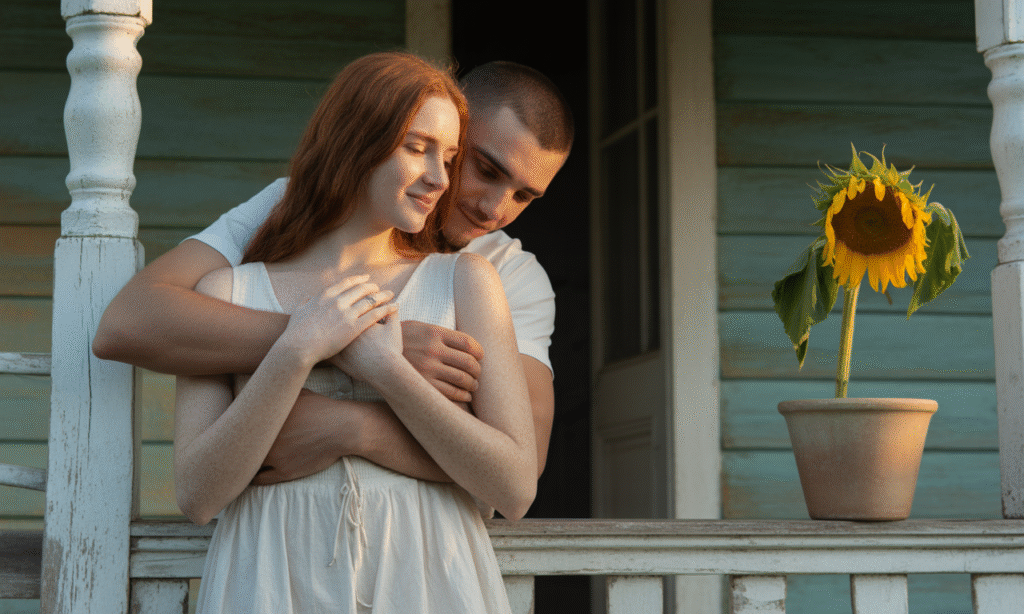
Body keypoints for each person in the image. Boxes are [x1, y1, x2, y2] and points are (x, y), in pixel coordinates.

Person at [92, 60, 573, 490]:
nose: (494, 208)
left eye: (524, 196)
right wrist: (342, 340)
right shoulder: (292, 208)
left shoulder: (509, 275)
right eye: (486, 169)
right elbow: (128, 324)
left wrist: (350, 428)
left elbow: (519, 465)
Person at [175, 51, 536, 612]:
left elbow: (513, 489)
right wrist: (298, 348)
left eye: (451, 156)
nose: (441, 178)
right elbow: (197, 496)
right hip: (274, 578)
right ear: (354, 141)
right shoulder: (227, 292)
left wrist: (385, 370)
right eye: (417, 149)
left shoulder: (465, 282)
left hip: (426, 576)